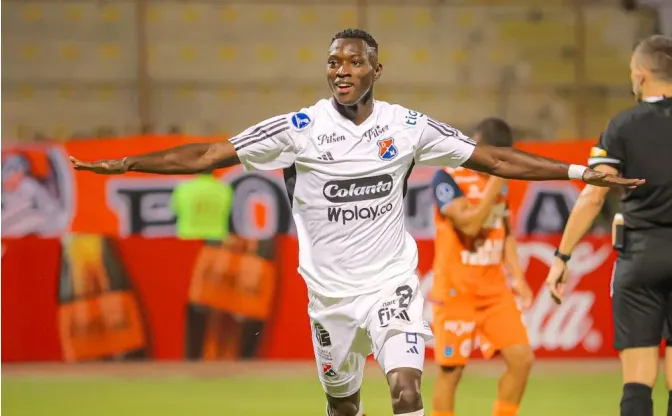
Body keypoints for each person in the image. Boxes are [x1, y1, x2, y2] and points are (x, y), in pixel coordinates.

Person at [70, 28, 642, 416]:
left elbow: (492, 158)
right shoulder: (299, 128)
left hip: (390, 281)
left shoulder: (407, 126)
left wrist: (576, 171)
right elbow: (204, 157)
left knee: (405, 387)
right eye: (333, 62)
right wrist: (123, 164)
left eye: (352, 62)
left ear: (376, 69)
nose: (340, 71)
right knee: (343, 404)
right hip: (329, 297)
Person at [545, 34, 672, 416]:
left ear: (641, 73)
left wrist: (561, 256)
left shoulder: (623, 125)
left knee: (637, 381)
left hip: (640, 255)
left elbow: (593, 195)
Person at [429, 117, 534, 416]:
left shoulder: (498, 186)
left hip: (494, 292)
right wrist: (497, 182)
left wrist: (518, 277)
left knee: (521, 359)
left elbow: (505, 231)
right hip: (456, 291)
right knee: (452, 372)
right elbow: (471, 225)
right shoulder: (447, 177)